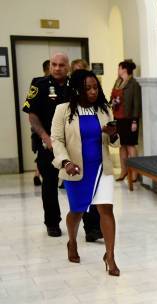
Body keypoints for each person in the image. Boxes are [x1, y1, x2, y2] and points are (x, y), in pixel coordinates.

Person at [22, 53, 102, 241]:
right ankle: (52, 223)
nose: (57, 68)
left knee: (84, 182)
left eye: (61, 65)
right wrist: (45, 136)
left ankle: (91, 227)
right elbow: (32, 115)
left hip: (74, 144)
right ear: (50, 66)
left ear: (68, 67)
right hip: (46, 144)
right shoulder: (39, 84)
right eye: (54, 64)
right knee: (49, 185)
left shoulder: (76, 86)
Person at [50, 69, 121, 276]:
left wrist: (113, 134)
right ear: (77, 89)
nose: (92, 92)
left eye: (95, 87)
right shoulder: (63, 110)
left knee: (106, 210)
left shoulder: (104, 109)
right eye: (87, 88)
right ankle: (72, 241)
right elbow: (58, 141)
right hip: (76, 170)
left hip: (101, 168)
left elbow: (114, 143)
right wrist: (65, 162)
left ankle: (110, 256)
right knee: (77, 211)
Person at [111, 59, 142, 181]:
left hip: (130, 119)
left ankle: (134, 173)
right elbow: (112, 97)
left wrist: (135, 121)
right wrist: (113, 102)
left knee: (130, 146)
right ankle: (124, 171)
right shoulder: (118, 82)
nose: (118, 71)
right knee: (121, 145)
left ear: (124, 69)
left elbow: (136, 103)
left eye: (119, 68)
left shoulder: (133, 84)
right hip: (118, 118)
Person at [32, 59, 50, 187]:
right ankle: (37, 174)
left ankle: (37, 174)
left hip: (54, 128)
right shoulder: (38, 83)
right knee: (41, 153)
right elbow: (32, 111)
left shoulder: (64, 84)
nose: (56, 69)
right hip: (41, 128)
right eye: (52, 66)